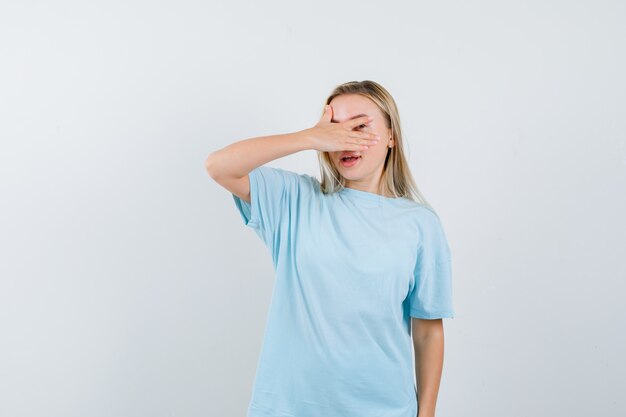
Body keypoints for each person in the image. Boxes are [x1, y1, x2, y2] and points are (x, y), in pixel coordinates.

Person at [205, 80, 455, 417]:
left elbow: (427, 331)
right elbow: (219, 166)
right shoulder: (294, 200)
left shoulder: (420, 224)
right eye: (334, 127)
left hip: (384, 409)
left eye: (360, 126)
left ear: (392, 136)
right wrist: (309, 137)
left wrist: (426, 415)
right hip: (287, 408)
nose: (344, 139)